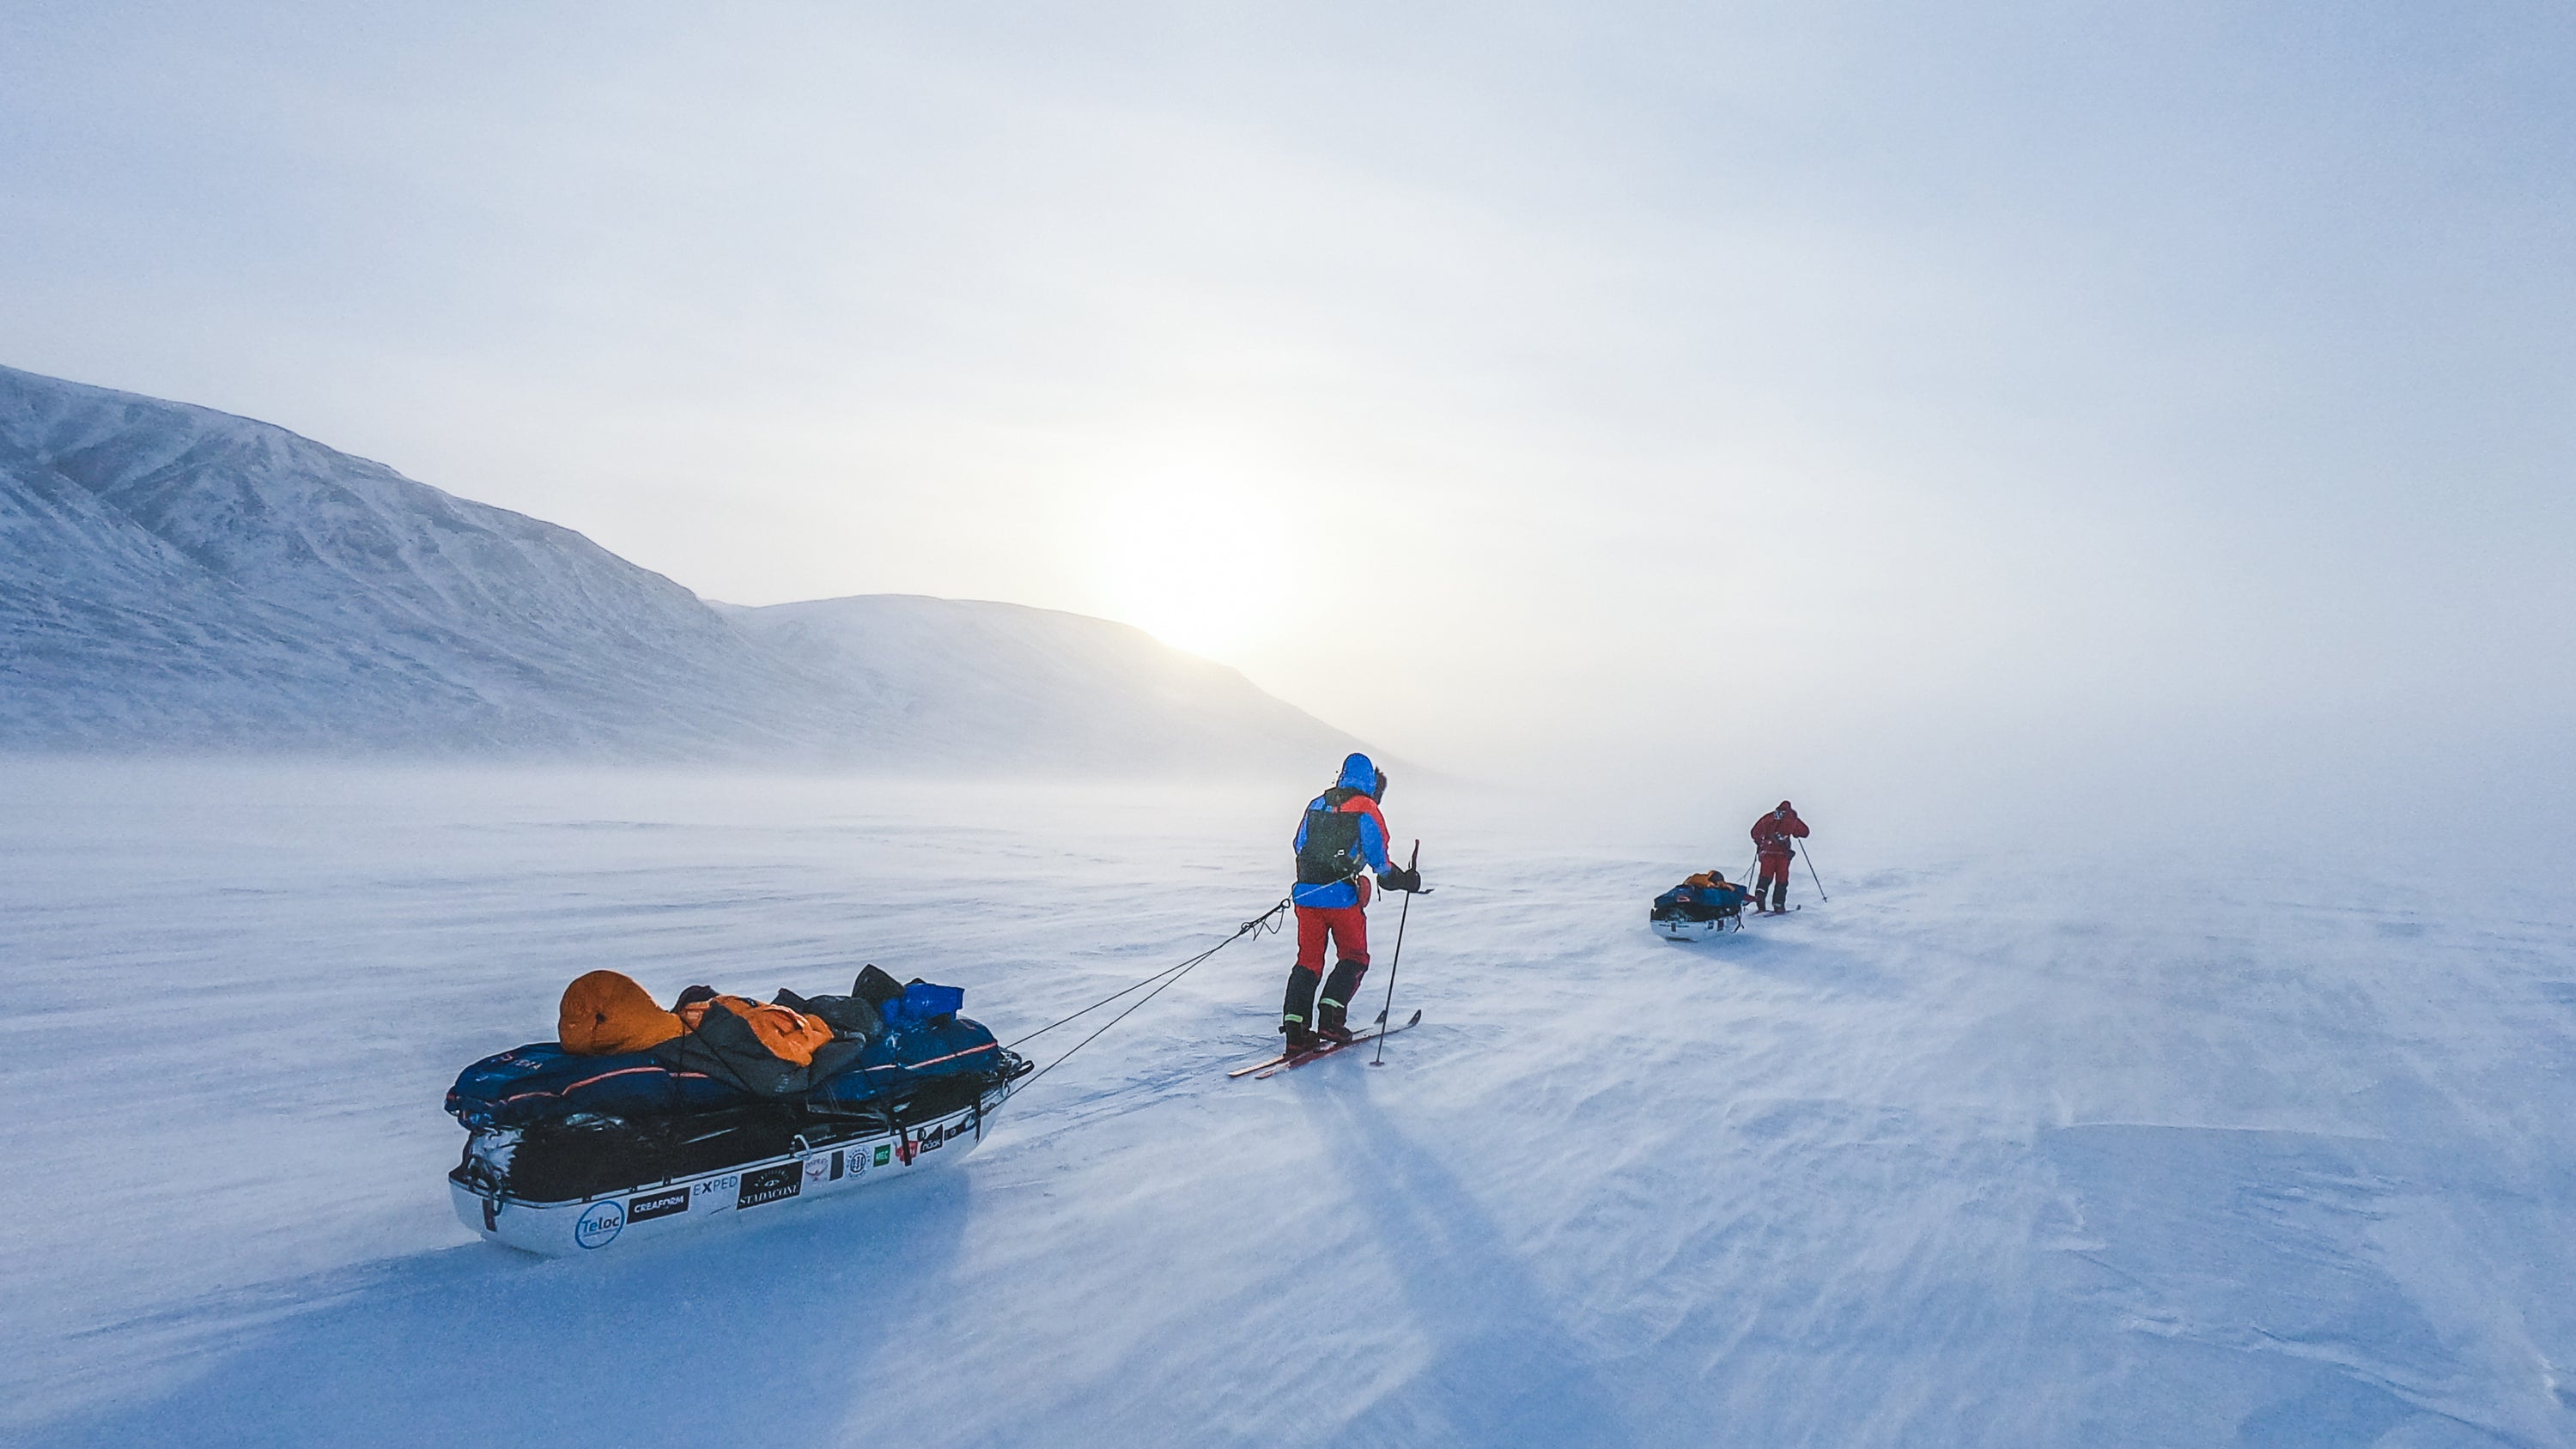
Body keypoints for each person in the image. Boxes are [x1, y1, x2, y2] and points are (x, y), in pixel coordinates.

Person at [1283, 752, 1421, 1052]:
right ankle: (1331, 1019)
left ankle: (1296, 1031)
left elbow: (1299, 845)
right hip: (1342, 899)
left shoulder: (1317, 804)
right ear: (1371, 782)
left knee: (1308, 962)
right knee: (1354, 957)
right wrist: (1405, 880)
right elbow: (1381, 866)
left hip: (1306, 897)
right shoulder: (1367, 809)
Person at [1749, 801, 1810, 912]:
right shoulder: (1792, 818)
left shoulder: (1770, 817)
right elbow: (1805, 832)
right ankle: (1779, 904)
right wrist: (1795, 831)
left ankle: (1759, 898)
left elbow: (1755, 832)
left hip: (1768, 852)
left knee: (1765, 877)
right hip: (1783, 854)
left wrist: (1761, 843)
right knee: (1782, 879)